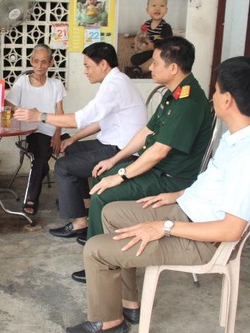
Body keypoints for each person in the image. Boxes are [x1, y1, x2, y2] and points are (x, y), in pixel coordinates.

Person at [66, 56, 250, 333]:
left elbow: (230, 230)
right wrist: (178, 195)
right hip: (189, 212)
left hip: (202, 238)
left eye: (215, 91)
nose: (211, 96)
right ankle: (129, 303)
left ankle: (109, 321)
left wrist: (163, 227)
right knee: (111, 211)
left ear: (226, 100)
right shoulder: (240, 136)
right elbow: (216, 186)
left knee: (96, 249)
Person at [68, 36, 213, 284]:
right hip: (158, 170)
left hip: (170, 179)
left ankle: (102, 263)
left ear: (173, 68)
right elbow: (146, 132)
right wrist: (116, 160)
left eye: (155, 62)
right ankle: (100, 251)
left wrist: (122, 175)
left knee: (103, 193)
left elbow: (158, 151)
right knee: (101, 176)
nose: (150, 67)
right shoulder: (174, 94)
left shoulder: (188, 102)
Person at [14, 42, 146, 234]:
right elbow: (101, 121)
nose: (85, 71)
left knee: (63, 166)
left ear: (103, 64)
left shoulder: (114, 85)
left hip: (122, 150)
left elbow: (79, 118)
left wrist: (40, 116)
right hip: (115, 142)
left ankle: (79, 223)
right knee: (71, 150)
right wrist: (74, 139)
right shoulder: (116, 81)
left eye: (87, 66)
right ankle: (84, 204)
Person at [5, 44, 68, 215]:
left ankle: (75, 199)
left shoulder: (56, 84)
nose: (39, 66)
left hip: (55, 128)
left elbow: (60, 113)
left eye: (44, 62)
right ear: (31, 61)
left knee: (74, 151)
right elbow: (8, 105)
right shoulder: (22, 82)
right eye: (36, 61)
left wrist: (57, 134)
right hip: (34, 130)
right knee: (40, 155)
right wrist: (23, 115)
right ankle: (31, 198)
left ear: (51, 63)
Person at [126, 0, 172, 79]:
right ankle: (147, 67)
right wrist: (137, 41)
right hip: (148, 51)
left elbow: (167, 45)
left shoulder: (165, 27)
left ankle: (140, 70)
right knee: (134, 59)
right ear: (147, 10)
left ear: (166, 10)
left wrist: (153, 47)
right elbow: (141, 36)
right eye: (154, 5)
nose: (157, 8)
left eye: (161, 6)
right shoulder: (146, 24)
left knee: (158, 59)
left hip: (159, 52)